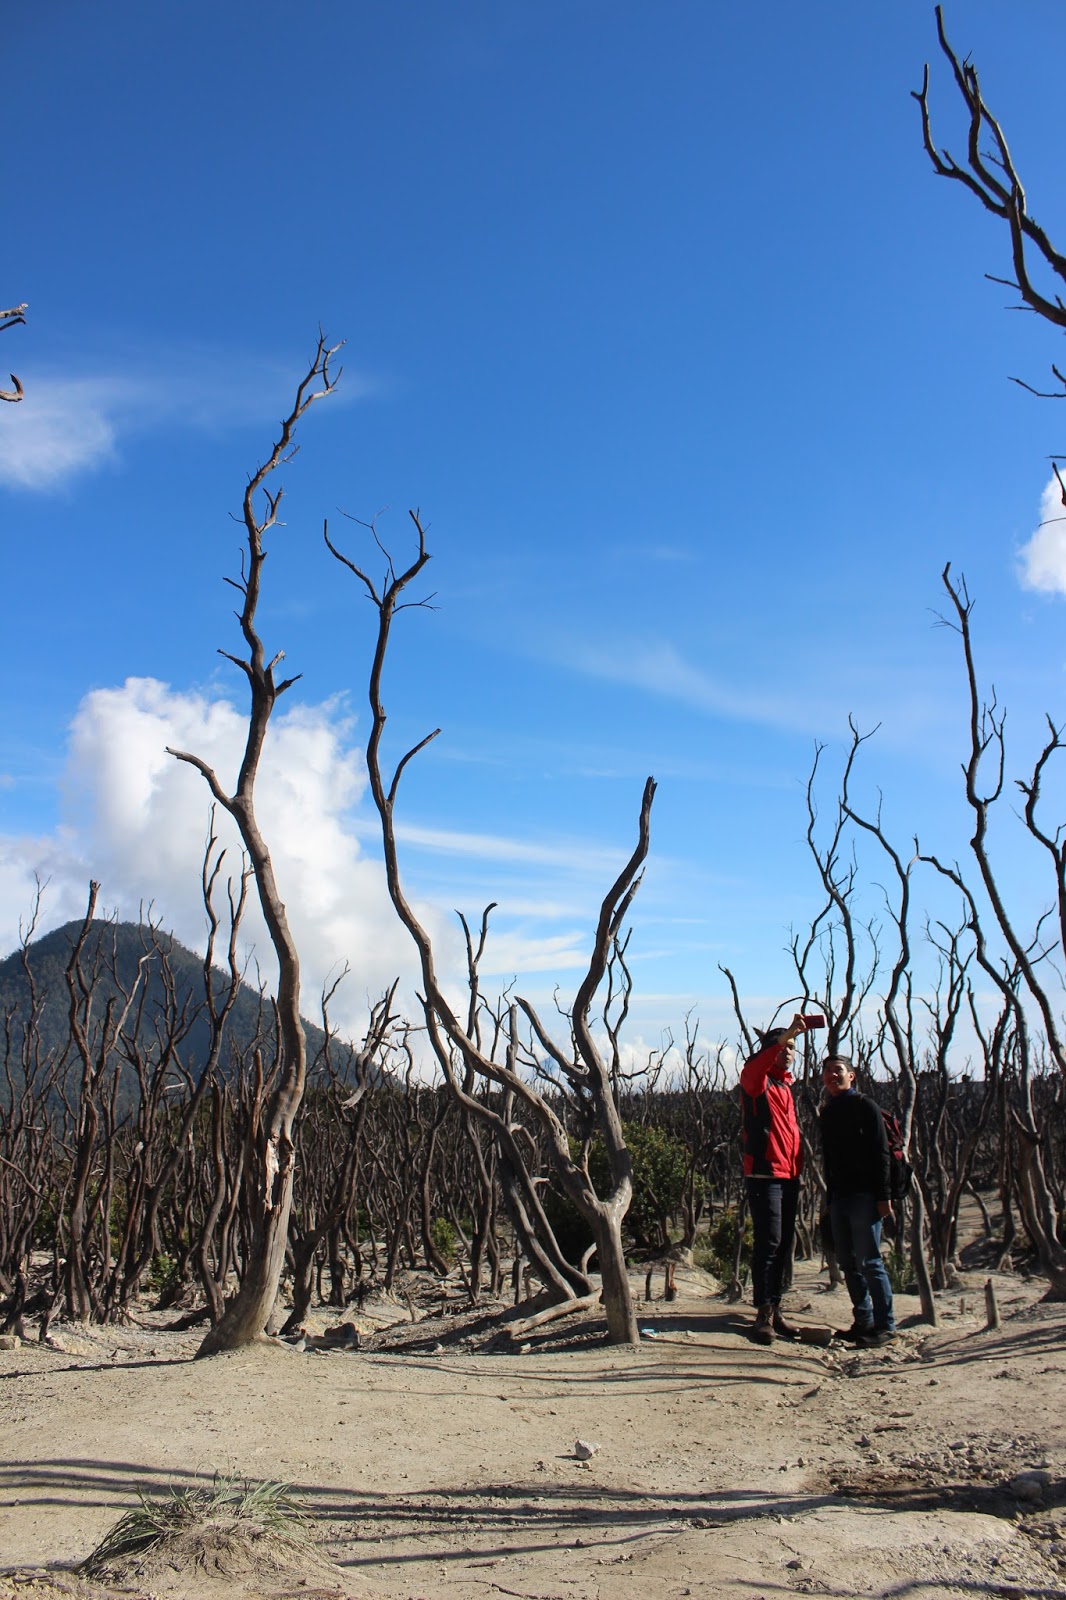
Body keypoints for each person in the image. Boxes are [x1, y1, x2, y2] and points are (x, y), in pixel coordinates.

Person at [739, 1013, 820, 1345]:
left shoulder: (785, 1085)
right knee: (768, 1243)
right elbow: (756, 1067)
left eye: (793, 1046)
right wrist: (782, 1036)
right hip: (764, 1174)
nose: (789, 1050)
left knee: (785, 1245)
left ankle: (776, 1307)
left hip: (789, 1175)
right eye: (785, 1045)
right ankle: (762, 1313)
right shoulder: (756, 1080)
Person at [819, 1054, 896, 1347]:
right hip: (839, 1197)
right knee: (848, 1262)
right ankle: (863, 1321)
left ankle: (885, 1326)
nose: (831, 1075)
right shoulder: (827, 1111)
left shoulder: (866, 1106)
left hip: (865, 1196)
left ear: (852, 1075)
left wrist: (883, 1196)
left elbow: (881, 1153)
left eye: (838, 1070)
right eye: (827, 1071)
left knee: (870, 1261)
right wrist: (828, 1199)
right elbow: (829, 1159)